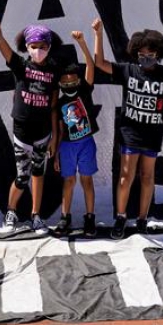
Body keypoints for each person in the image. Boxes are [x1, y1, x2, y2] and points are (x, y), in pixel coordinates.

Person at [92, 18, 163, 240]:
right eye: (141, 54)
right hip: (130, 134)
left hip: (153, 135)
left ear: (158, 54)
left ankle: (143, 219)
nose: (145, 58)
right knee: (126, 175)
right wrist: (98, 34)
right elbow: (100, 63)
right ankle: (121, 217)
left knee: (147, 176)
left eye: (150, 54)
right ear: (135, 53)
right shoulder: (129, 70)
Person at [0, 0, 62, 231]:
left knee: (39, 174)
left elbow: (54, 105)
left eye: (42, 46)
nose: (38, 50)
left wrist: (55, 138)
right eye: (33, 46)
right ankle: (11, 212)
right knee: (22, 176)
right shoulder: (20, 66)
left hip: (43, 133)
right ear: (27, 46)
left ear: (49, 46)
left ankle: (36, 215)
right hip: (21, 131)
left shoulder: (54, 70)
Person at [52, 29, 100, 237]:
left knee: (87, 180)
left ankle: (90, 217)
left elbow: (90, 65)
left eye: (73, 82)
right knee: (69, 181)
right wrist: (56, 154)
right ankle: (65, 217)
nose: (69, 86)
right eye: (65, 84)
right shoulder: (60, 103)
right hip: (67, 146)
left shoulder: (84, 92)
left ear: (78, 82)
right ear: (60, 84)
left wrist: (82, 43)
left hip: (86, 143)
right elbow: (59, 129)